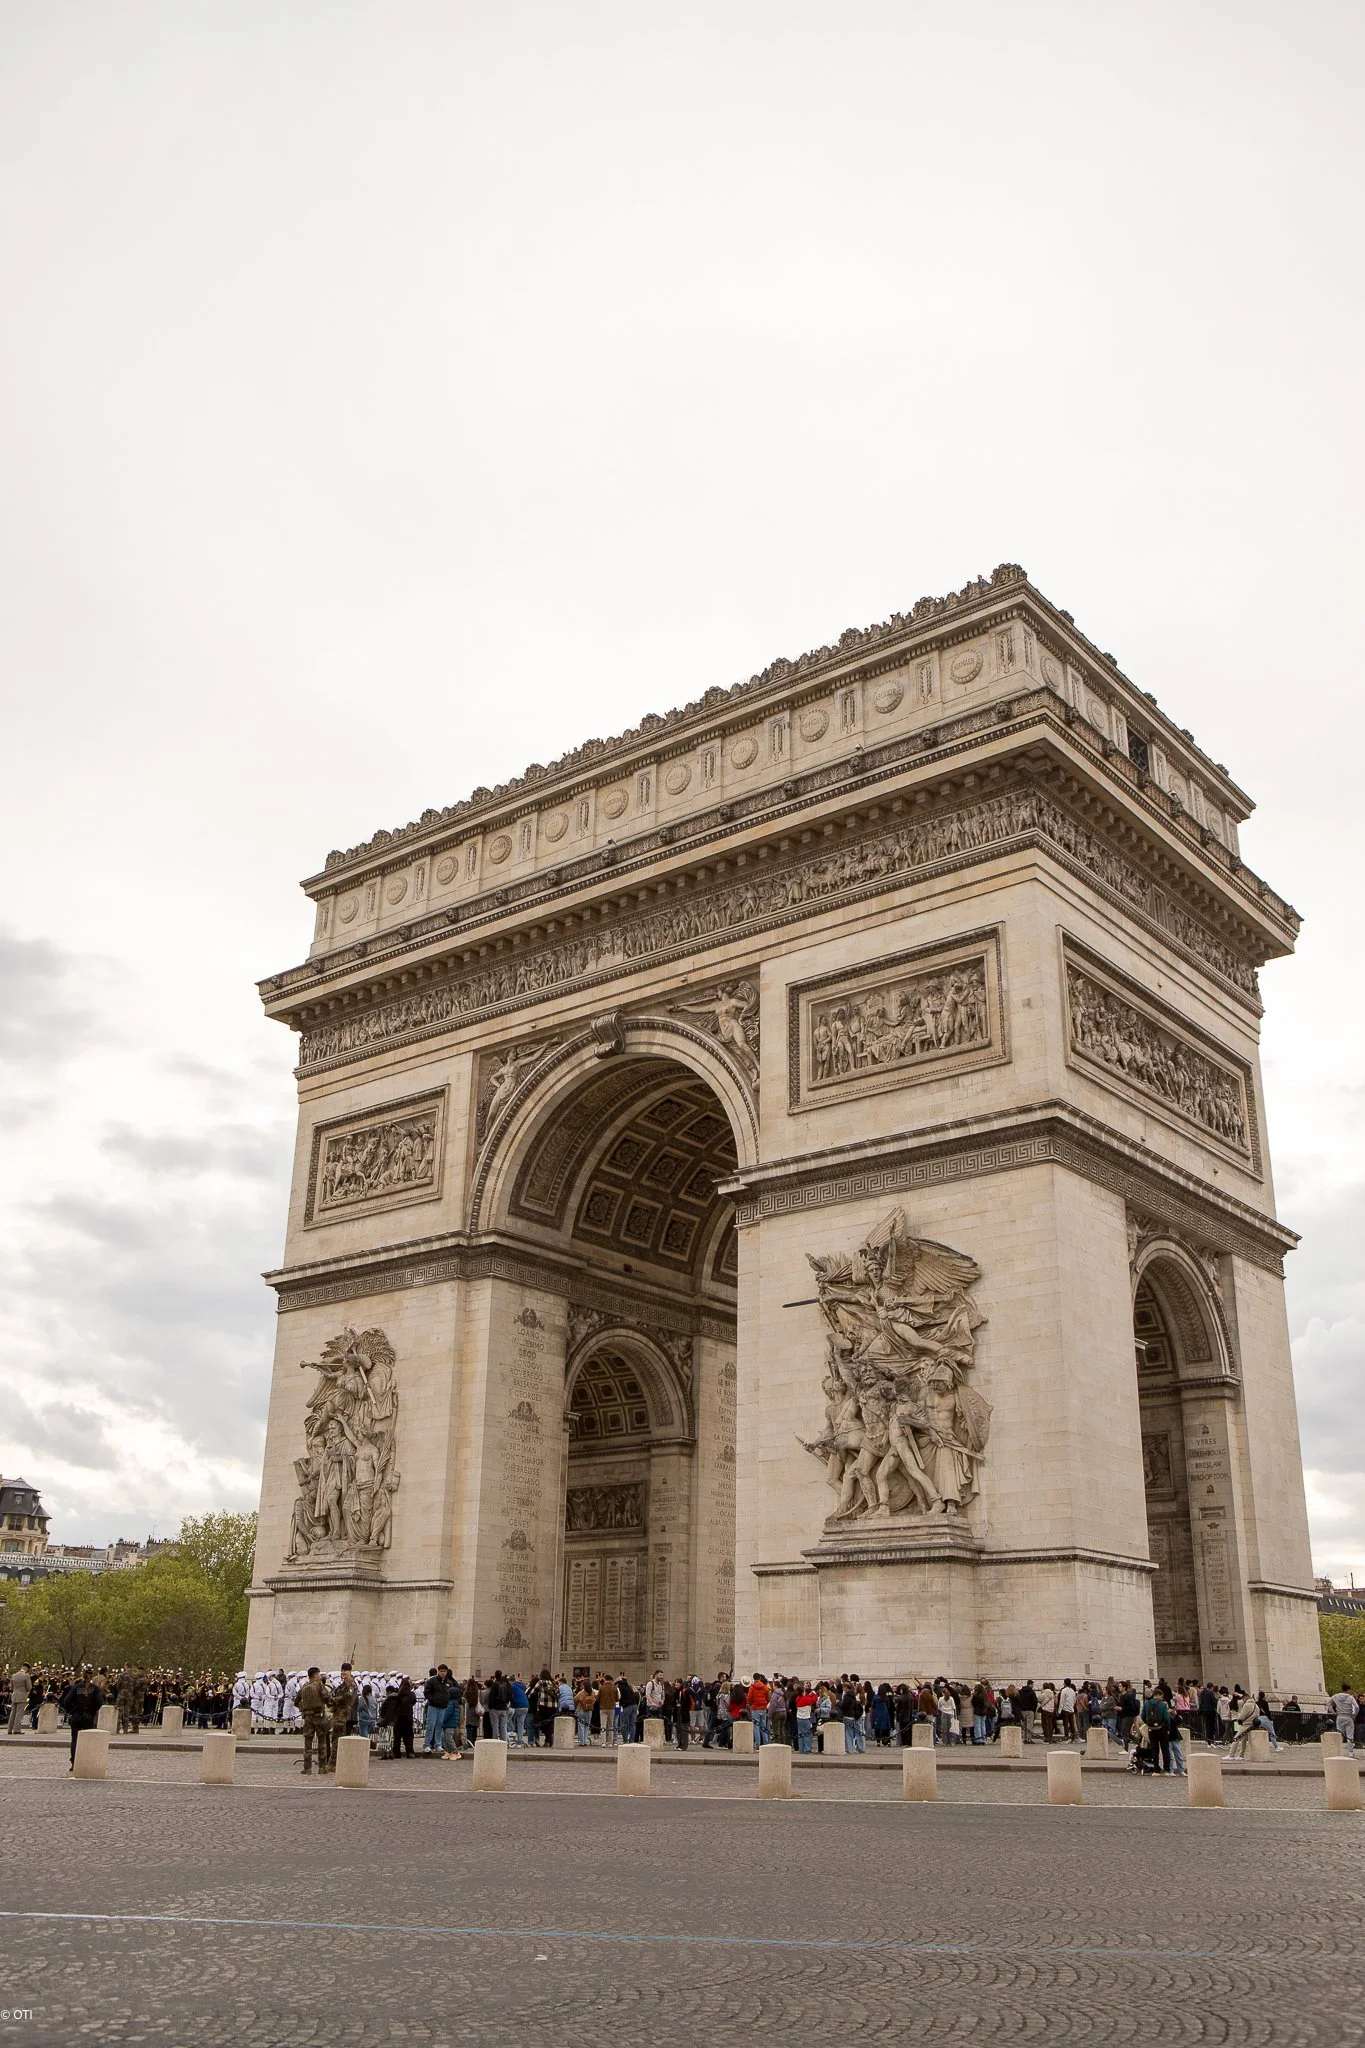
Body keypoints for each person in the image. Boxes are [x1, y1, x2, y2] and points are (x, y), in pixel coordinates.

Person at [59, 1669, 103, 1770]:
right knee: (88, 1740)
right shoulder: (95, 1689)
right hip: (88, 1715)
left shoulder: (76, 1687)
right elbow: (99, 1702)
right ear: (91, 1676)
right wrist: (92, 1711)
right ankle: (86, 1762)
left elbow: (66, 1701)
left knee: (75, 1740)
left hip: (76, 1715)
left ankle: (74, 1762)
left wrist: (72, 1711)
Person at [296, 1667, 332, 1776]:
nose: (320, 1676)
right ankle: (322, 1767)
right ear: (315, 1675)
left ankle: (307, 1768)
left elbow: (296, 1701)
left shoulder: (304, 1687)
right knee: (322, 1743)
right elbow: (327, 1698)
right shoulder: (320, 1686)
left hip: (308, 1718)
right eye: (318, 1674)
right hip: (319, 1717)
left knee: (308, 1744)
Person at [1329, 1685, 1358, 1752]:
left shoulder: (1336, 1696)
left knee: (1339, 1734)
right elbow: (1356, 1707)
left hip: (1340, 1716)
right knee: (1350, 1735)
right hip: (1348, 1716)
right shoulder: (1350, 1698)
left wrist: (1333, 1712)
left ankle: (1338, 1750)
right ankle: (1350, 1752)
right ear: (1348, 1690)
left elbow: (1328, 1703)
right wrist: (1354, 1715)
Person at [7, 1664, 30, 1737]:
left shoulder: (14, 1675)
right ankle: (17, 1730)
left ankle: (9, 1729)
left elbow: (11, 1686)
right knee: (19, 1714)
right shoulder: (26, 1676)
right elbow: (29, 1687)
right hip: (22, 1696)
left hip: (14, 1696)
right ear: (26, 1668)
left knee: (12, 1713)